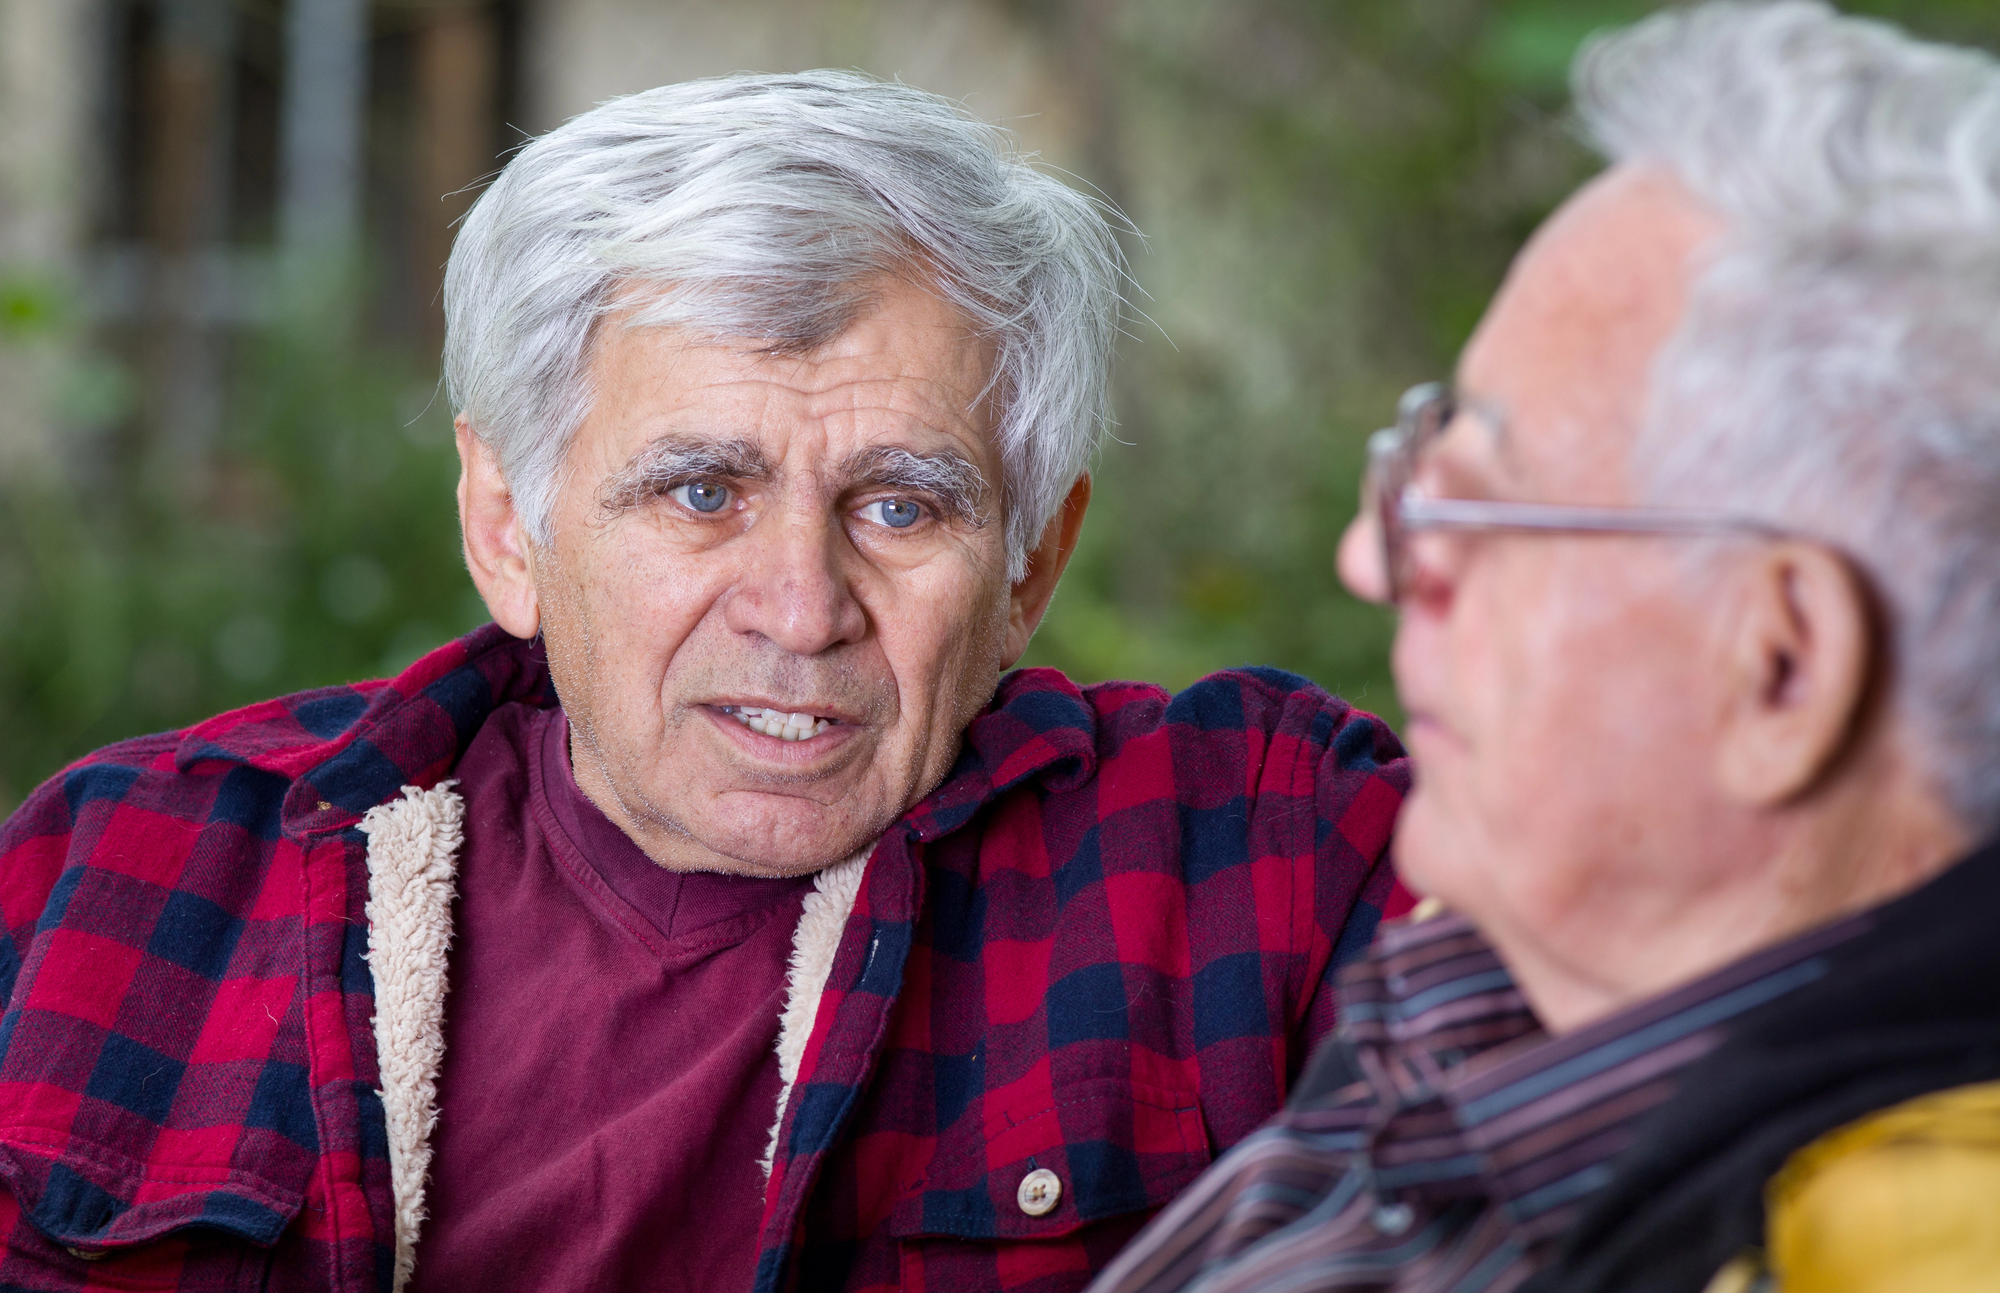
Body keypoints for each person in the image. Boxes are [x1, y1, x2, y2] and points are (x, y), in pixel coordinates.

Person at [0, 73, 1410, 1293]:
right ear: (509, 527)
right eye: (700, 491)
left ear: (1032, 569)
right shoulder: (120, 876)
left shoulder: (1263, 862)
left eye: (902, 507)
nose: (801, 611)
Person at [1089, 0, 2000, 1293]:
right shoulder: (1522, 984)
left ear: (1781, 670)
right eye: (1416, 460)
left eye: (1475, 503)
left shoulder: (1865, 1250)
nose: (1376, 559)